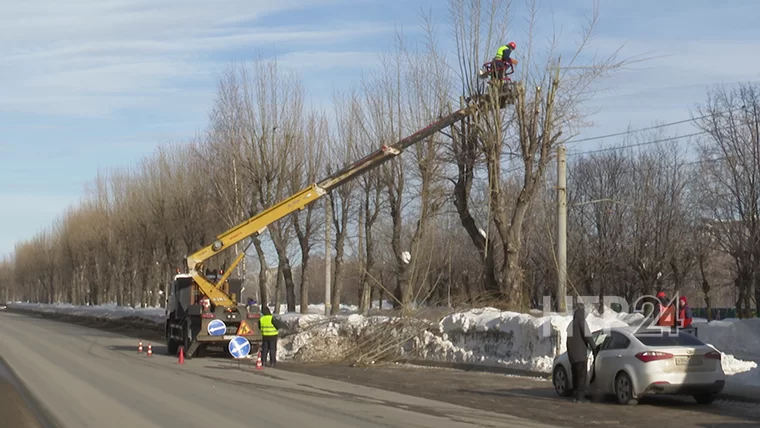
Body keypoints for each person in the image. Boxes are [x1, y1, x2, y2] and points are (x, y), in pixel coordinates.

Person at [567, 301, 595, 403]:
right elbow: (588, 336)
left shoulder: (572, 324)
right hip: (580, 355)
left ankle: (575, 396)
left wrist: (570, 354)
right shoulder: (581, 322)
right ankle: (580, 398)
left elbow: (568, 341)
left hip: (572, 356)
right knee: (581, 377)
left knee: (575, 375)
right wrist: (594, 347)